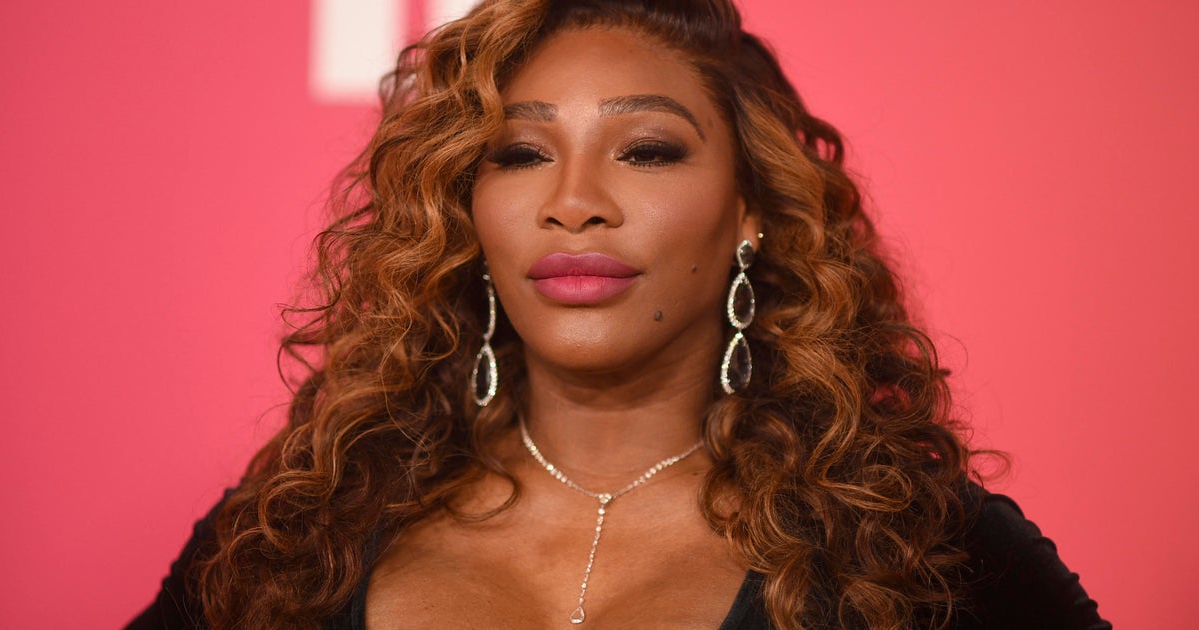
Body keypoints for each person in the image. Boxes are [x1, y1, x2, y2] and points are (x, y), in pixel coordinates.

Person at [129, 1, 1111, 628]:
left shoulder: (920, 549)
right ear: (468, 213)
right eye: (520, 155)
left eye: (646, 150)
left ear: (751, 211)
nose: (575, 203)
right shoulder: (296, 535)